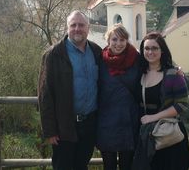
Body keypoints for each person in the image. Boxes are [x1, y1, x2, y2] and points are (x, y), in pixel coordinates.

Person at [37, 10, 102, 170]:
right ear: (67, 28)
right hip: (64, 125)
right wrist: (50, 131)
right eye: (73, 25)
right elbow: (45, 94)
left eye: (81, 25)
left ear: (88, 28)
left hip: (89, 124)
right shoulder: (54, 54)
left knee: (81, 166)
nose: (77, 29)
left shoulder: (96, 51)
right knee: (63, 166)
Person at [135, 32, 189, 170]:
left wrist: (153, 117)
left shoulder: (173, 75)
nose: (150, 52)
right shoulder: (139, 72)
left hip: (168, 135)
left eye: (155, 48)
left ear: (162, 50)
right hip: (148, 135)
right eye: (147, 48)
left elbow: (182, 105)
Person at [96, 24, 141, 170]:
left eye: (122, 40)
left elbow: (156, 66)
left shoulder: (136, 58)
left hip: (129, 120)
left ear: (127, 41)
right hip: (106, 122)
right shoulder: (100, 60)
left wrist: (175, 71)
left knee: (126, 165)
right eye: (114, 39)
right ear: (108, 40)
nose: (118, 43)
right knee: (108, 166)